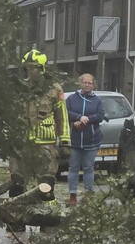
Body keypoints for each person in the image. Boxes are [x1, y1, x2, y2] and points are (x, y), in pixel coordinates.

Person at [8, 49, 69, 226]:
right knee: (18, 184)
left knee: (46, 184)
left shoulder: (54, 90)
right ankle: (16, 220)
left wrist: (65, 142)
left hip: (45, 145)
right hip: (21, 145)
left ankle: (49, 220)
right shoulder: (19, 88)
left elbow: (62, 117)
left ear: (42, 68)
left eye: (34, 68)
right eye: (27, 68)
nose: (30, 72)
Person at [65, 73, 105, 206]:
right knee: (73, 168)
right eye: (85, 82)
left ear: (93, 85)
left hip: (92, 140)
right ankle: (72, 195)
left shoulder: (97, 101)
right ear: (80, 83)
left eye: (90, 83)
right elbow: (65, 113)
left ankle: (88, 195)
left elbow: (100, 115)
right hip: (75, 140)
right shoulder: (71, 98)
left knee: (88, 168)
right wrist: (77, 117)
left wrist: (87, 119)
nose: (87, 85)